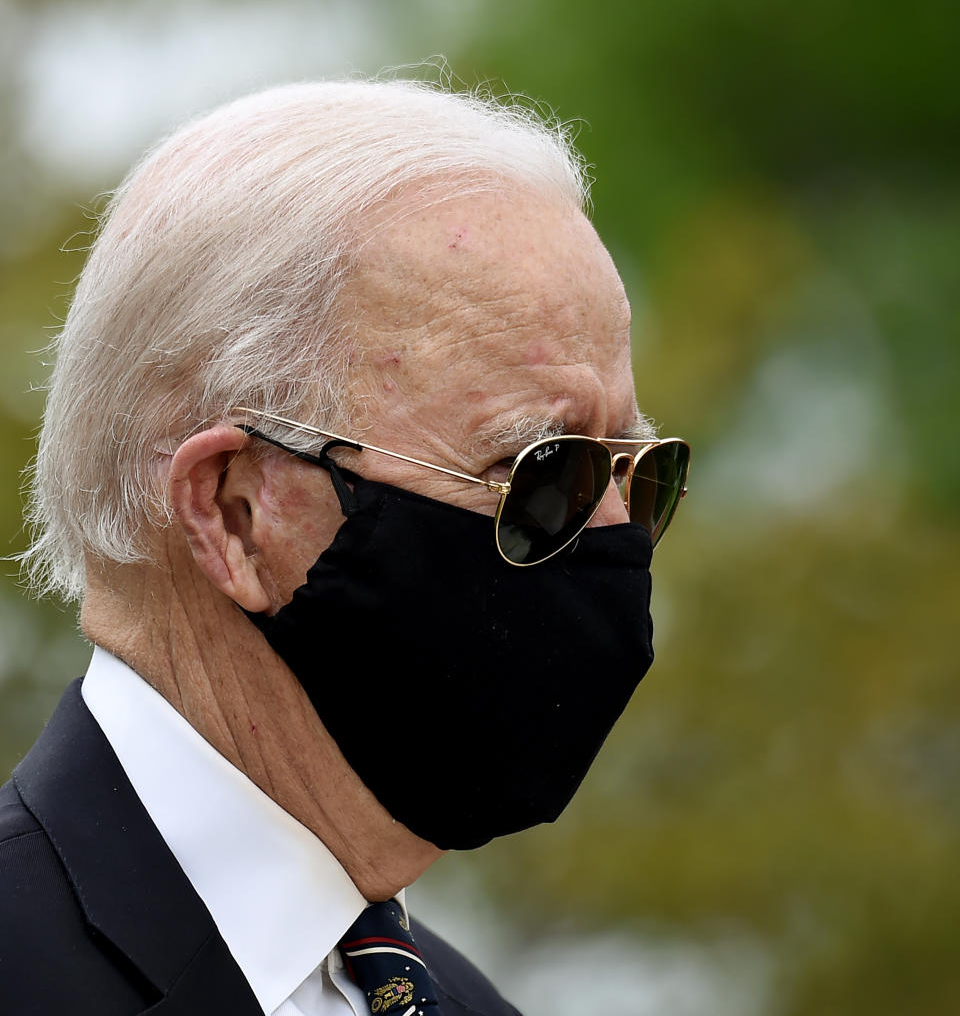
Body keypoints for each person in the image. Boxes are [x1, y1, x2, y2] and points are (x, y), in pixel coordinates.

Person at [0, 78, 689, 1015]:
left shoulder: (464, 1001)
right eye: (545, 471)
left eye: (635, 473)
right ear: (236, 512)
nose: (617, 534)